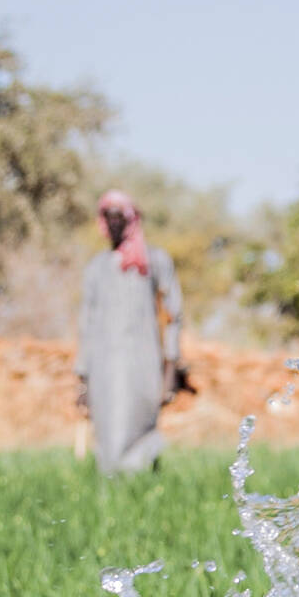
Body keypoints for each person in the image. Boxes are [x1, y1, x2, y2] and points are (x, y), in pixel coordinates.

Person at [75, 189, 184, 476]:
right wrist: (82, 379)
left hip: (144, 361)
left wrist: (170, 368)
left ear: (130, 220)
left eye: (118, 217)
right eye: (106, 217)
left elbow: (173, 315)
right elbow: (86, 325)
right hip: (103, 365)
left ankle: (144, 488)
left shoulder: (156, 262)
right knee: (108, 428)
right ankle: (111, 492)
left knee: (141, 426)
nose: (112, 224)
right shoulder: (96, 268)